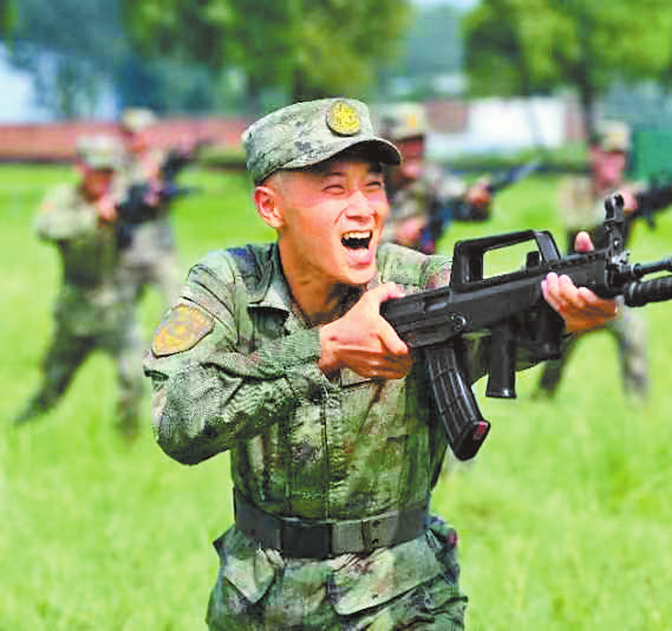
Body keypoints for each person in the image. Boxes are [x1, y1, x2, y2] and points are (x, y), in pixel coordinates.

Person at [143, 97, 618, 629]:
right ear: (270, 207)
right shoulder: (228, 284)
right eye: (334, 188)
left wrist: (565, 312)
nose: (365, 208)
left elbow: (503, 316)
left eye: (373, 185)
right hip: (257, 600)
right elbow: (178, 423)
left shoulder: (420, 282)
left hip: (402, 594)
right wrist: (323, 349)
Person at [536, 121, 672, 399]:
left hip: (612, 286)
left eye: (621, 155)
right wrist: (613, 204)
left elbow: (650, 202)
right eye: (609, 153)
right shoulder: (575, 189)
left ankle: (638, 405)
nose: (615, 161)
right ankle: (542, 397)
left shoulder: (630, 189)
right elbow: (575, 219)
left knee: (634, 332)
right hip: (576, 285)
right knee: (556, 346)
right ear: (593, 154)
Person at [13, 135, 145, 440]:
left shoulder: (121, 195)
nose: (103, 177)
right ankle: (15, 429)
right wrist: (93, 216)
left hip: (116, 306)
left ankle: (126, 443)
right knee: (51, 388)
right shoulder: (64, 198)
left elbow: (143, 214)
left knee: (134, 377)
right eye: (97, 170)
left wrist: (146, 205)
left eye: (109, 171)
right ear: (80, 168)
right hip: (76, 310)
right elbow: (46, 228)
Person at [381, 103, 493, 253]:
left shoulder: (431, 177)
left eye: (419, 140)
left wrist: (477, 201)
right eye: (406, 142)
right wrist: (395, 234)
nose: (414, 151)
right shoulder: (367, 181)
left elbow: (465, 209)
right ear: (387, 144)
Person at [116, 107, 187, 308]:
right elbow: (116, 201)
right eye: (130, 133)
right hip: (128, 251)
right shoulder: (117, 166)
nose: (136, 137)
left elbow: (174, 170)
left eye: (140, 131)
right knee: (121, 313)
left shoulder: (162, 162)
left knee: (178, 308)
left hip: (161, 248)